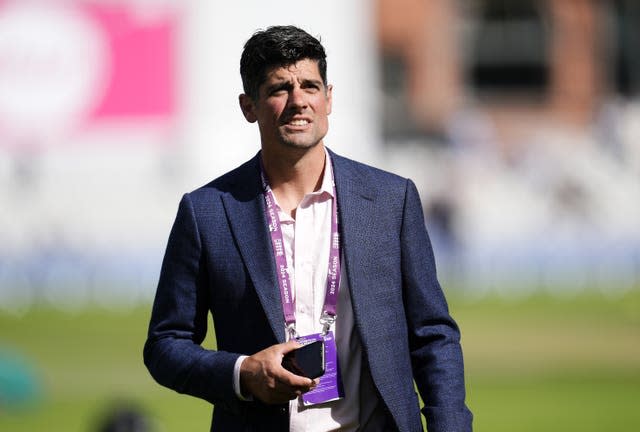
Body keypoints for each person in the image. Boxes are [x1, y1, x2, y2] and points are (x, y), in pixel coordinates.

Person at [144, 25, 472, 432]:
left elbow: (432, 335)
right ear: (249, 106)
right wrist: (244, 372)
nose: (298, 101)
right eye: (280, 88)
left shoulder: (392, 200)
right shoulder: (207, 212)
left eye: (310, 86)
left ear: (328, 98)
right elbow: (165, 346)